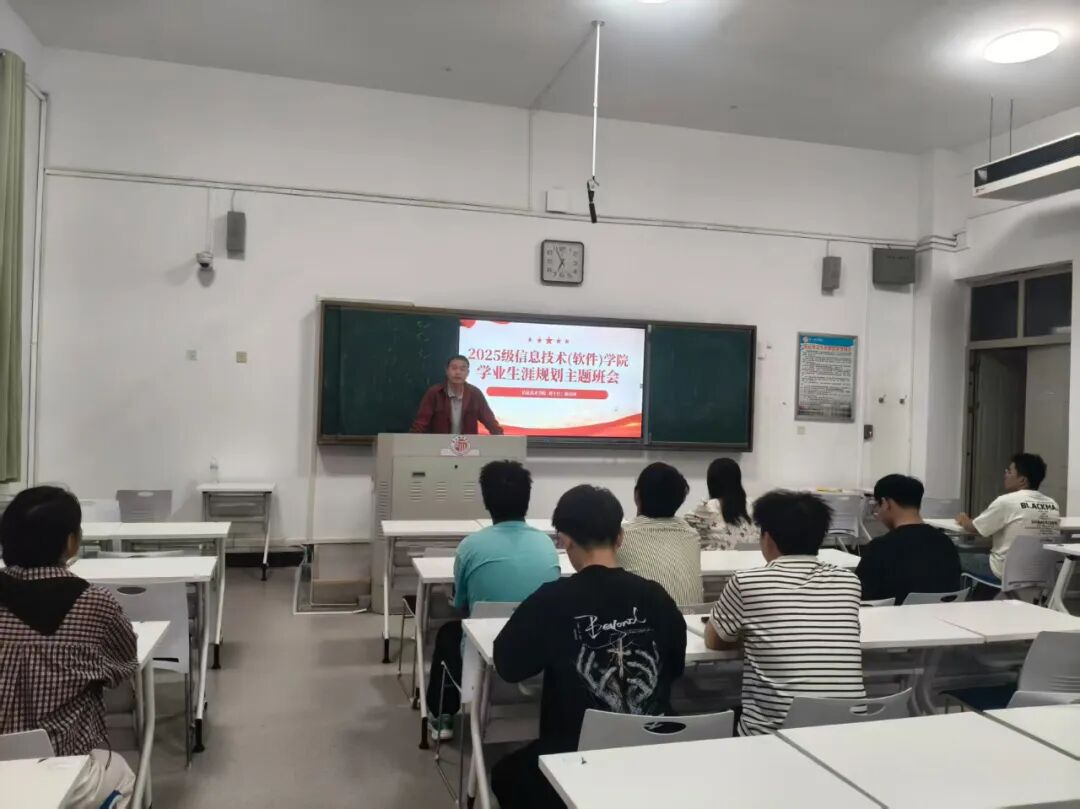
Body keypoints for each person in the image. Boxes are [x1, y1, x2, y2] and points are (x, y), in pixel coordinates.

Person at [490, 485, 687, 809]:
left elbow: (508, 666)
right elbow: (675, 668)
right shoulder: (655, 596)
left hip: (574, 762)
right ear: (620, 537)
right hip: (654, 753)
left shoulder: (551, 599)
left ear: (565, 540)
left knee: (505, 774)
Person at [0, 486, 138, 809]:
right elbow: (125, 663)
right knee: (125, 776)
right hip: (62, 768)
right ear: (71, 542)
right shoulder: (94, 603)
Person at [706, 490, 864, 735]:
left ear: (767, 538)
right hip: (849, 730)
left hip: (775, 736)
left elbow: (714, 641)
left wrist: (756, 636)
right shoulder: (848, 581)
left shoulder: (748, 582)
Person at [425, 461, 559, 741]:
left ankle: (442, 717)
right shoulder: (547, 545)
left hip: (485, 656)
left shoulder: (470, 547)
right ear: (527, 499)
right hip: (539, 655)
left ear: (486, 500)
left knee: (448, 633)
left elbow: (461, 604)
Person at [956, 452, 1060, 584]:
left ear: (1022, 480)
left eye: (1009, 471)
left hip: (1003, 571)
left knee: (952, 556)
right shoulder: (1052, 504)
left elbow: (974, 528)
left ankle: (958, 596)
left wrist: (963, 519)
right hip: (1040, 573)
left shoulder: (1007, 501)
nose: (1005, 474)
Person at [857, 474, 962, 604]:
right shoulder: (945, 543)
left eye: (877, 505)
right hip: (942, 614)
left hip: (893, 616)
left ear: (885, 503)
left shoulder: (880, 547)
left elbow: (860, 597)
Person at [616, 462, 703, 606]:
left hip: (643, 619)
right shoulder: (692, 535)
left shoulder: (620, 536)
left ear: (636, 495)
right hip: (692, 619)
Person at [410, 354, 503, 435]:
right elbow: (421, 422)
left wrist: (502, 439)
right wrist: (411, 441)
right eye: (454, 368)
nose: (458, 372)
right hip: (440, 445)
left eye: (462, 369)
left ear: (467, 373)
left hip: (467, 445)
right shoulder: (434, 393)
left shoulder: (475, 394)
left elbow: (489, 421)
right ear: (447, 371)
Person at [684, 457, 758, 550]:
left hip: (714, 558)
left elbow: (683, 528)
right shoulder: (752, 506)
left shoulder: (706, 509)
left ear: (711, 482)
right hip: (751, 558)